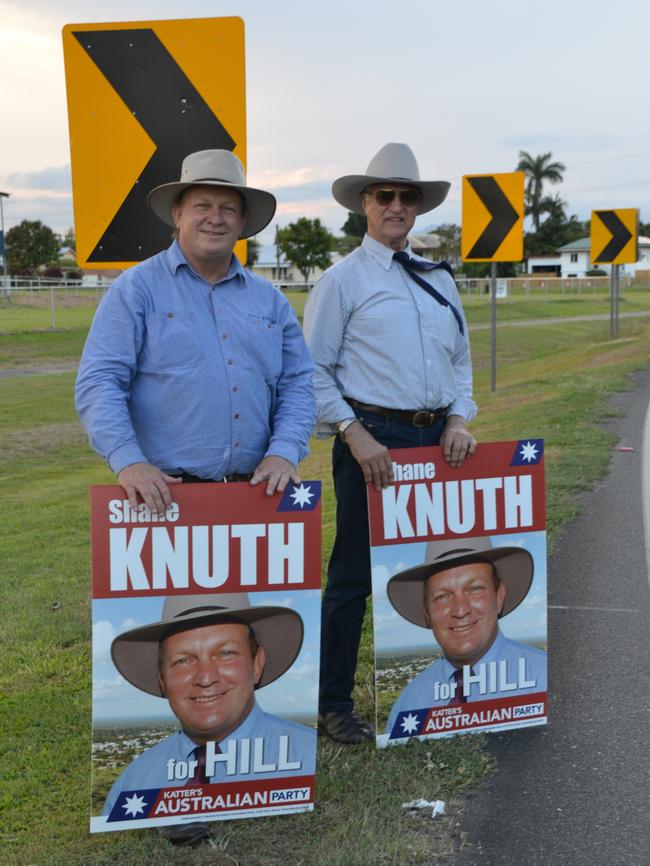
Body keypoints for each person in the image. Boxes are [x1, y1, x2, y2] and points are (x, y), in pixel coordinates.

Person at [303, 143, 477, 743]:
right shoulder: (342, 281)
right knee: (353, 575)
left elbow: (460, 363)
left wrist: (459, 418)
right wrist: (353, 434)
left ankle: (433, 696)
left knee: (432, 568)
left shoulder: (439, 279)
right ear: (364, 205)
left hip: (437, 440)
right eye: (386, 196)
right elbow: (314, 371)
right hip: (373, 439)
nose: (398, 205)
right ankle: (333, 705)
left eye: (408, 196)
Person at [75, 149, 316, 515]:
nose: (215, 219)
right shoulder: (135, 289)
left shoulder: (270, 300)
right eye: (202, 205)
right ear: (178, 213)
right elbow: (100, 381)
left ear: (242, 221)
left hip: (255, 495)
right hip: (163, 496)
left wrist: (284, 452)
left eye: (228, 208)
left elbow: (298, 384)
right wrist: (127, 460)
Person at [101, 593, 316, 826]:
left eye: (225, 654)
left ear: (256, 664)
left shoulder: (312, 761)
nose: (205, 678)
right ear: (163, 680)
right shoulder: (133, 785)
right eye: (183, 660)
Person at [384, 537, 547, 738]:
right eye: (442, 596)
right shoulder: (409, 704)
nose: (460, 610)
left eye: (474, 589)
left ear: (498, 596)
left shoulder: (543, 679)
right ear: (427, 614)